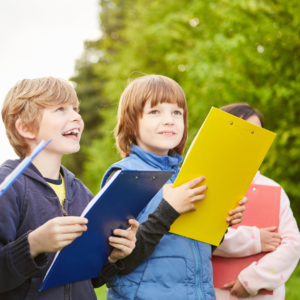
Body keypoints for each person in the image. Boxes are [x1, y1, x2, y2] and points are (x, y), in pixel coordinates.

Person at [101, 75, 247, 300]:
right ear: (131, 124)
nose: (169, 120)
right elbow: (118, 264)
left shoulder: (189, 176)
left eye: (177, 112)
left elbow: (197, 252)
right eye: (154, 112)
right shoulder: (125, 175)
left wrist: (221, 222)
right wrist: (169, 209)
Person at [0, 77, 140, 300]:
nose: (77, 117)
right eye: (60, 109)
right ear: (26, 127)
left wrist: (112, 257)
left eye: (76, 109)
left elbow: (92, 279)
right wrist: (34, 244)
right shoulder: (7, 186)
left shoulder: (82, 192)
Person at [213, 103, 300, 299]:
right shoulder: (205, 186)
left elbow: (292, 244)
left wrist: (252, 280)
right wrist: (255, 239)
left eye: (257, 134)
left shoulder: (273, 188)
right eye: (244, 131)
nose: (251, 140)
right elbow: (201, 238)